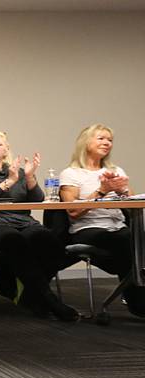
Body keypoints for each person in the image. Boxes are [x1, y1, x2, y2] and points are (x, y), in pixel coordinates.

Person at [0, 131, 79, 321]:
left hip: (23, 222)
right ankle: (50, 300)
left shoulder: (18, 172)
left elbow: (36, 199)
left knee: (51, 242)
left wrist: (30, 176)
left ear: (6, 149)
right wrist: (9, 181)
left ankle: (29, 295)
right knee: (13, 241)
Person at [59, 124, 144, 317]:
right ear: (86, 142)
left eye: (110, 140)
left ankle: (137, 297)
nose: (107, 143)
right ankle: (139, 304)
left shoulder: (115, 169)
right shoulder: (71, 173)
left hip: (117, 226)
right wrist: (102, 191)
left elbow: (133, 203)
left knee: (137, 238)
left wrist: (123, 190)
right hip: (88, 228)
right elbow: (73, 211)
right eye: (101, 138)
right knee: (128, 244)